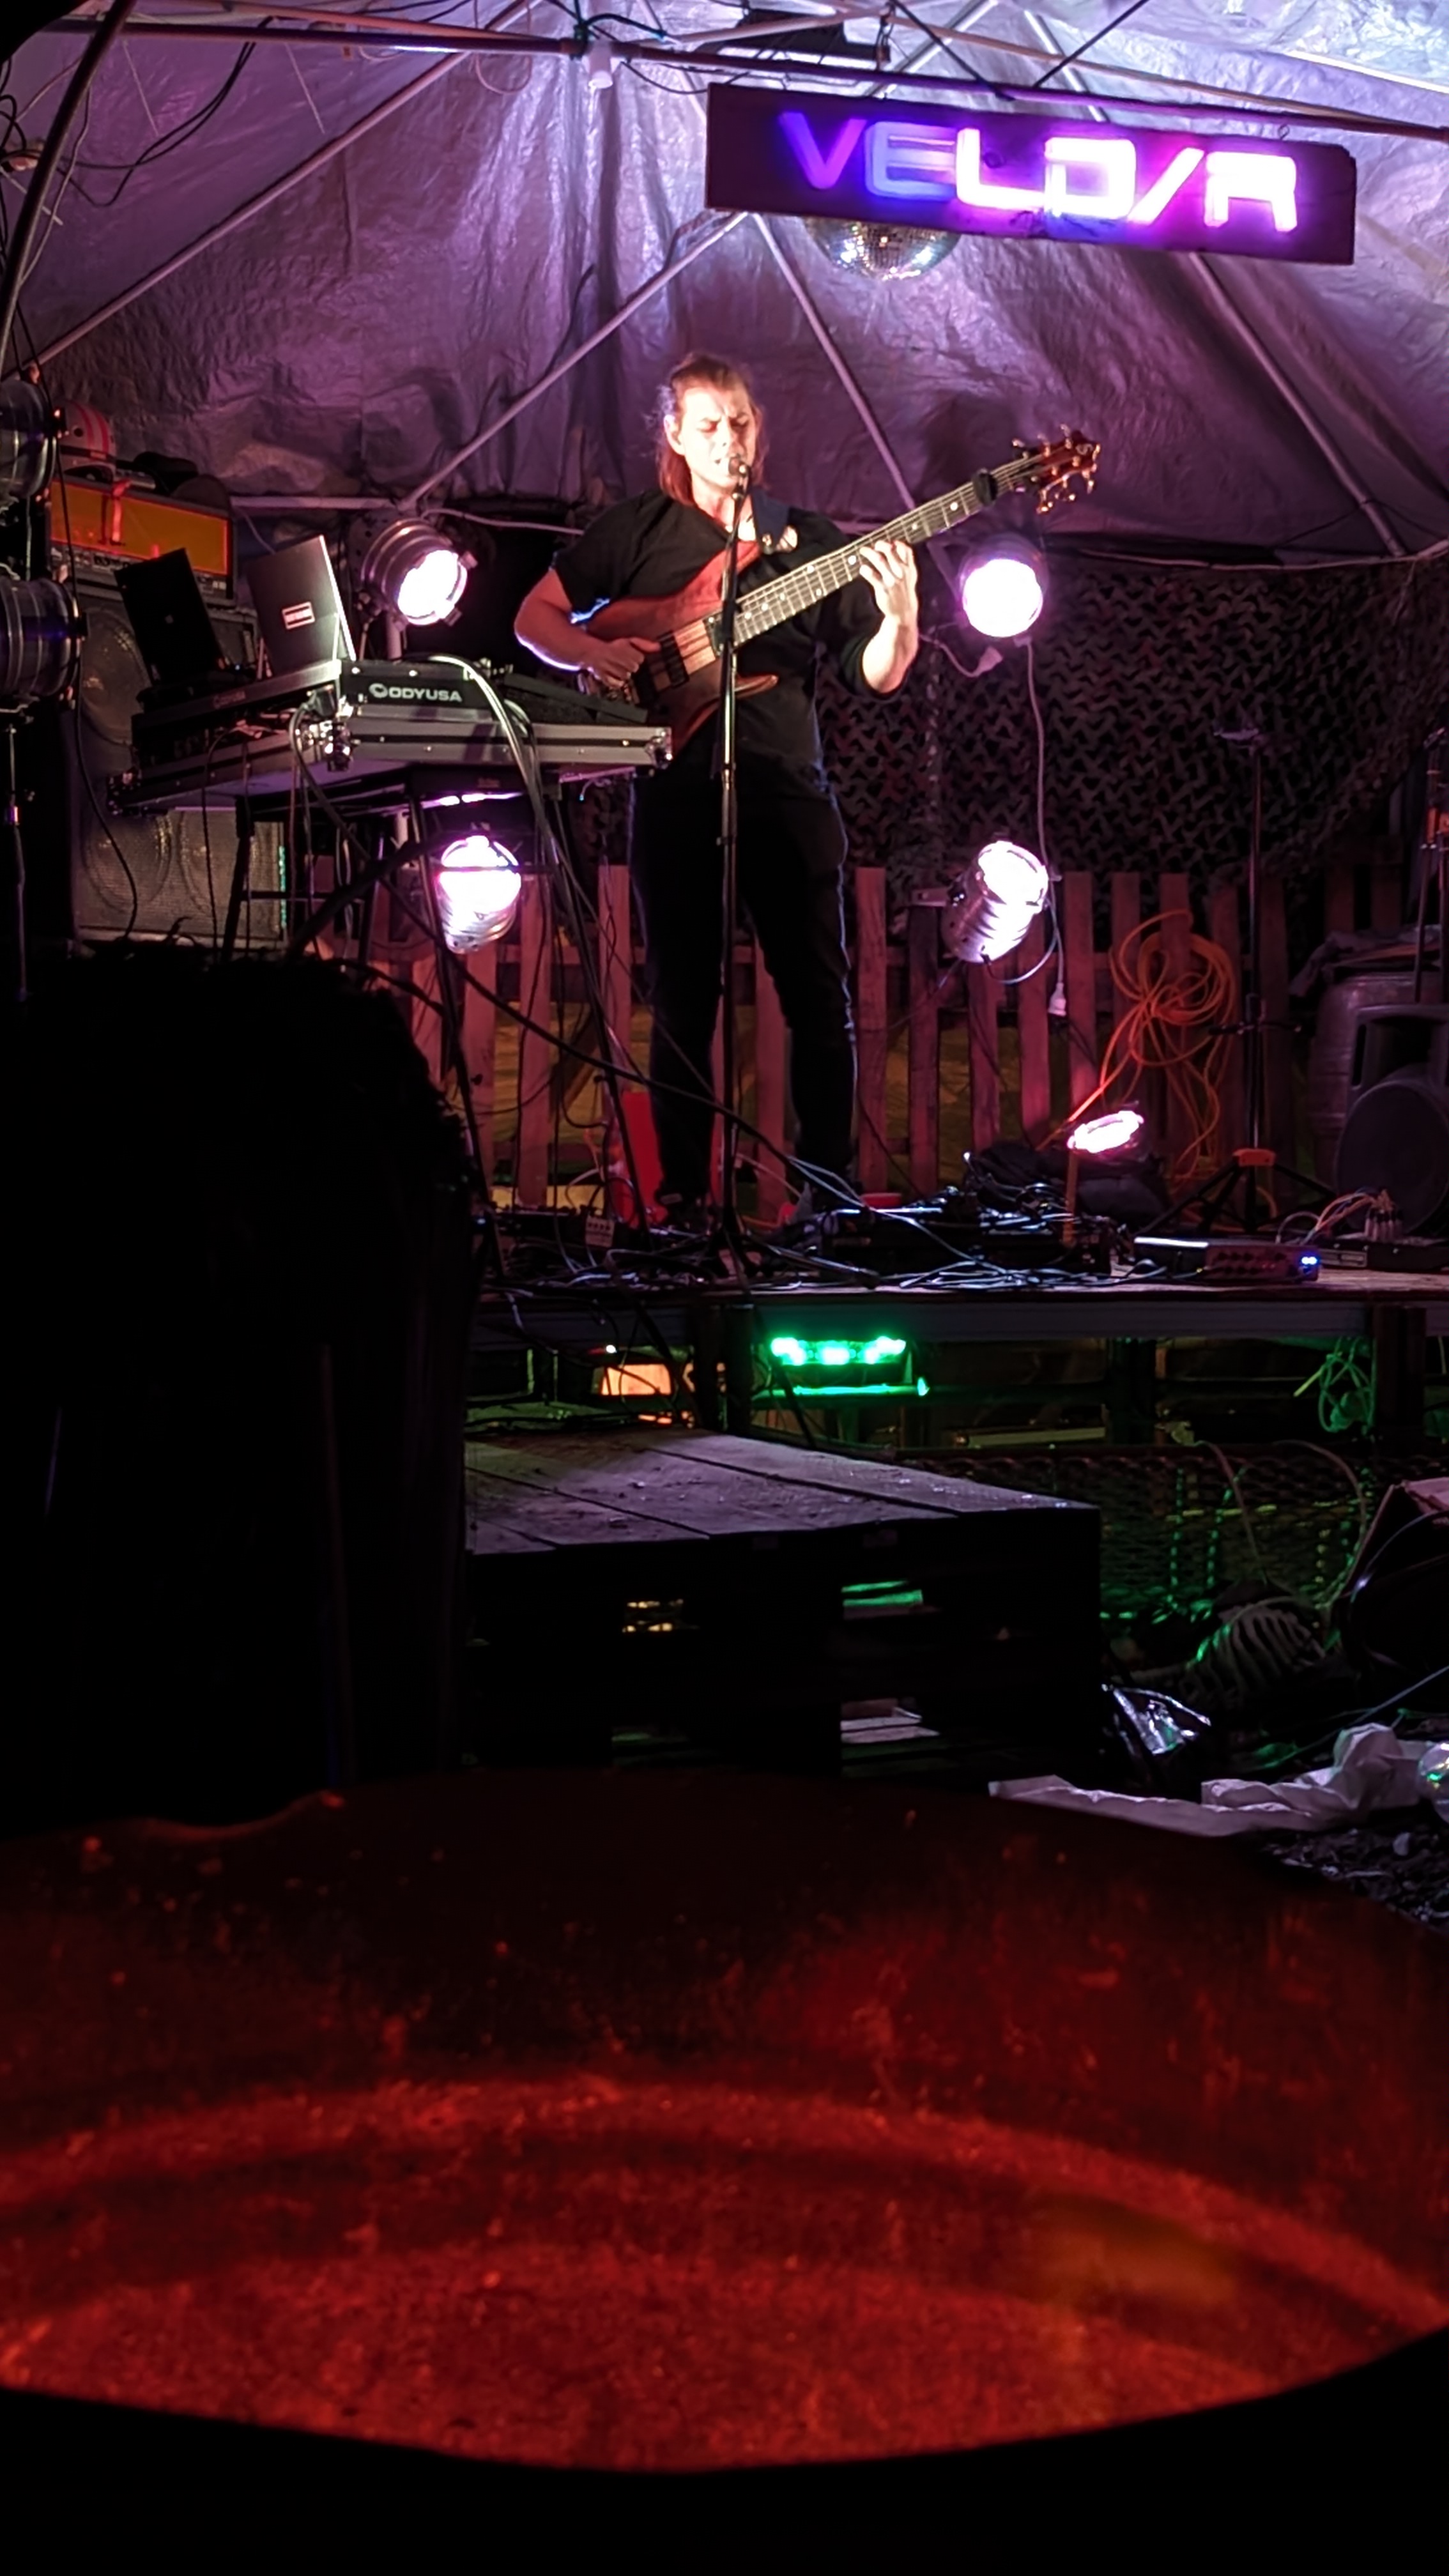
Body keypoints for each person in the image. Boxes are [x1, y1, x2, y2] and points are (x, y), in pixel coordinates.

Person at [514, 351, 918, 1222]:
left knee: (819, 999)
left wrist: (900, 617)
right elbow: (533, 617)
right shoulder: (638, 530)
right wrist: (590, 652)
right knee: (682, 1002)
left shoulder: (806, 540)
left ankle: (826, 1197)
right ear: (675, 435)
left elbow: (877, 674)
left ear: (757, 430)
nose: (727, 438)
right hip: (678, 789)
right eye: (708, 425)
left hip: (787, 789)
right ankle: (687, 1201)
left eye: (739, 422)